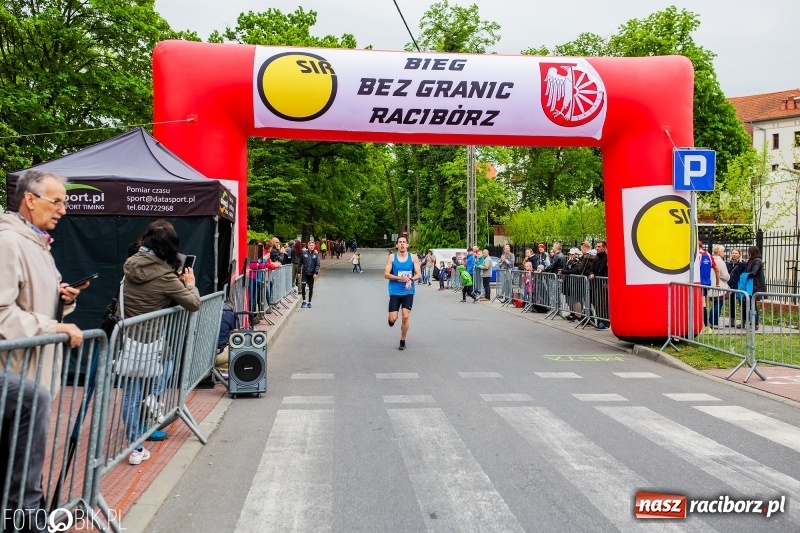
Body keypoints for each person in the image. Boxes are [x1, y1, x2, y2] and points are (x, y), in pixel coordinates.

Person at [0, 170, 88, 529]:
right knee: (17, 465)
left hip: (32, 370)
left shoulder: (36, 242)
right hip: (17, 370)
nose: (63, 210)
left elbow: (25, 302)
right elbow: (3, 314)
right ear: (30, 199)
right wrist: (55, 327)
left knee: (18, 462)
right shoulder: (9, 241)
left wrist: (62, 299)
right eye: (57, 201)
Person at [120, 222, 201, 465]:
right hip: (150, 341)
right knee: (137, 393)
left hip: (126, 338)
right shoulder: (166, 276)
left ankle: (140, 434)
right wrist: (190, 284)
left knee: (131, 394)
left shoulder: (131, 265)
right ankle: (137, 443)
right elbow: (193, 303)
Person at [384, 235, 421, 350]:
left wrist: (410, 279)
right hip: (395, 291)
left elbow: (418, 274)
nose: (402, 244)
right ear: (396, 245)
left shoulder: (413, 257)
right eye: (400, 242)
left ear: (407, 245)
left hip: (408, 291)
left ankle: (402, 340)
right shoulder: (391, 257)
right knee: (393, 318)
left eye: (404, 242)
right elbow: (386, 274)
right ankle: (390, 318)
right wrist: (400, 278)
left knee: (405, 317)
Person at [697, 240, 719, 327]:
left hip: (697, 283)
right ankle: (705, 325)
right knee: (703, 302)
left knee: (700, 303)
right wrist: (717, 283)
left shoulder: (696, 256)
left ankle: (704, 325)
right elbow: (716, 269)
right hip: (706, 283)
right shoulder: (709, 255)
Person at [743, 246, 766, 330]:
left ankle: (754, 323)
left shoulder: (757, 261)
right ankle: (753, 323)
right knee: (751, 305)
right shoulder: (751, 260)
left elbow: (754, 272)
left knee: (752, 305)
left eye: (749, 252)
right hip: (750, 285)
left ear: (752, 252)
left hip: (755, 285)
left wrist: (744, 276)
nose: (748, 254)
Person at [588, 241, 609, 329]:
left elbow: (609, 271)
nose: (597, 248)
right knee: (597, 303)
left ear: (604, 248)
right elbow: (591, 269)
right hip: (596, 284)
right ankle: (600, 320)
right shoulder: (596, 258)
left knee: (603, 304)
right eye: (596, 246)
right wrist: (591, 273)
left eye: (599, 247)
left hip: (603, 284)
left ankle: (605, 322)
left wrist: (607, 282)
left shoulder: (607, 258)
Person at [709, 245, 730, 328]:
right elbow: (725, 275)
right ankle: (714, 322)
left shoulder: (711, 259)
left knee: (715, 303)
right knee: (718, 303)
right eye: (722, 251)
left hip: (712, 284)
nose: (724, 253)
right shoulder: (720, 261)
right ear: (718, 251)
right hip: (719, 285)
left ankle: (711, 321)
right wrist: (728, 278)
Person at [727, 248, 746, 328]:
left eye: (736, 253)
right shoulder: (728, 264)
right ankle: (732, 321)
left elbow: (743, 275)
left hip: (739, 286)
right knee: (731, 303)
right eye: (733, 253)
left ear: (739, 254)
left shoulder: (742, 264)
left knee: (742, 304)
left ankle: (743, 322)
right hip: (730, 286)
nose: (734, 254)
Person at [300, 241, 321, 308]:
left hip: (312, 273)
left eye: (312, 245)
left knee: (311, 288)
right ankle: (304, 301)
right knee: (303, 286)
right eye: (310, 245)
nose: (311, 246)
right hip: (305, 272)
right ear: (308, 246)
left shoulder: (316, 254)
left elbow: (317, 264)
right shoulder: (304, 253)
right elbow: (300, 262)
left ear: (314, 246)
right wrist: (298, 271)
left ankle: (309, 302)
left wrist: (316, 272)